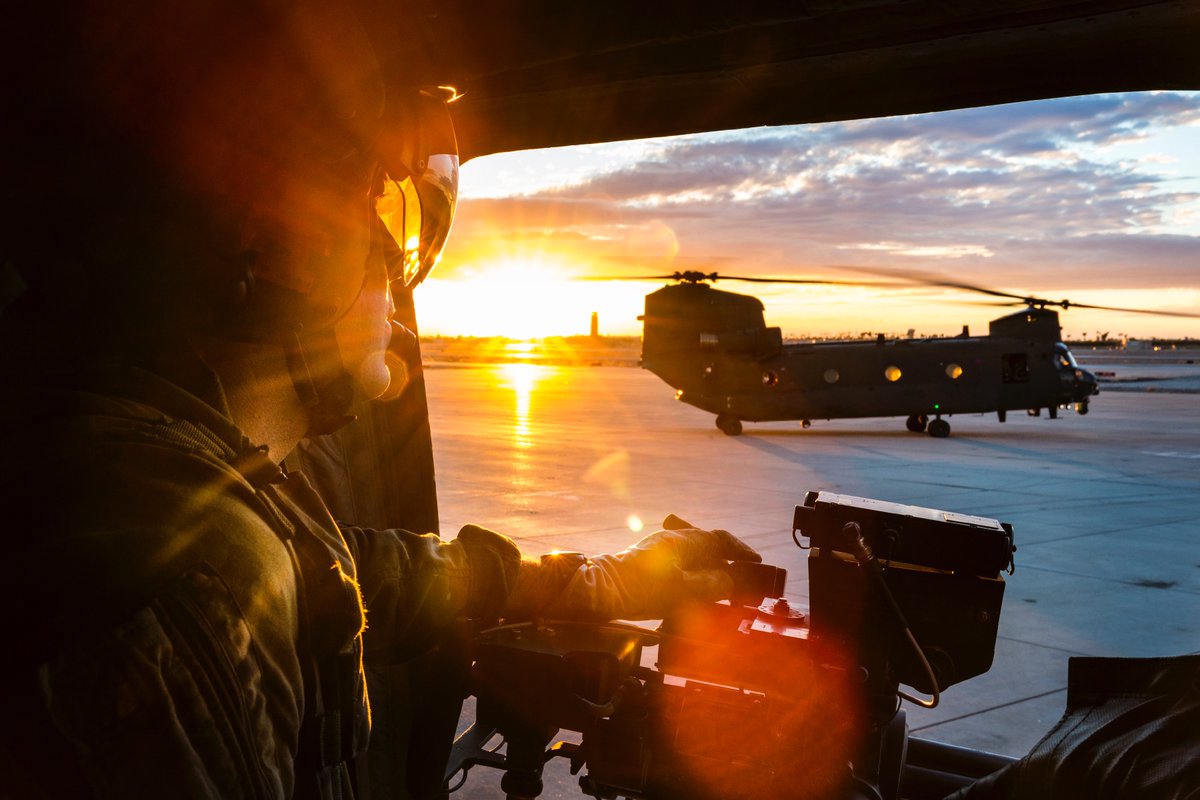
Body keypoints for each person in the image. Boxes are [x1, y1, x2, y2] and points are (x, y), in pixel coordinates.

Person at [0, 2, 760, 798]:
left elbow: (337, 571)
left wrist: (581, 580)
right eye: (387, 230)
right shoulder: (178, 576)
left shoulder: (155, 480)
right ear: (281, 251)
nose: (397, 288)